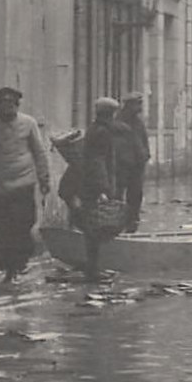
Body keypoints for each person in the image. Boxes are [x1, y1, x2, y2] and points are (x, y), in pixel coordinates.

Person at [0, 87, 52, 283]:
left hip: (23, 184)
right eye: (3, 102)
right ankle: (8, 267)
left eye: (11, 102)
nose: (7, 106)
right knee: (1, 228)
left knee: (24, 224)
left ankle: (19, 261)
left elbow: (39, 152)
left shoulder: (29, 123)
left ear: (17, 104)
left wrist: (44, 178)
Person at [76, 97, 126, 281]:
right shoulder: (102, 132)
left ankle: (93, 268)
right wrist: (103, 189)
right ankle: (93, 270)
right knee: (95, 228)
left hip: (90, 184)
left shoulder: (95, 129)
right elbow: (98, 161)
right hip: (94, 186)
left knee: (93, 227)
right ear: (110, 114)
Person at [115, 92, 150, 234]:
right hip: (123, 166)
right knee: (118, 194)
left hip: (137, 165)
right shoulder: (119, 122)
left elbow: (143, 139)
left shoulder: (138, 122)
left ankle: (132, 223)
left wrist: (146, 154)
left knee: (136, 195)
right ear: (129, 105)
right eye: (137, 103)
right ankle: (117, 224)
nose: (140, 107)